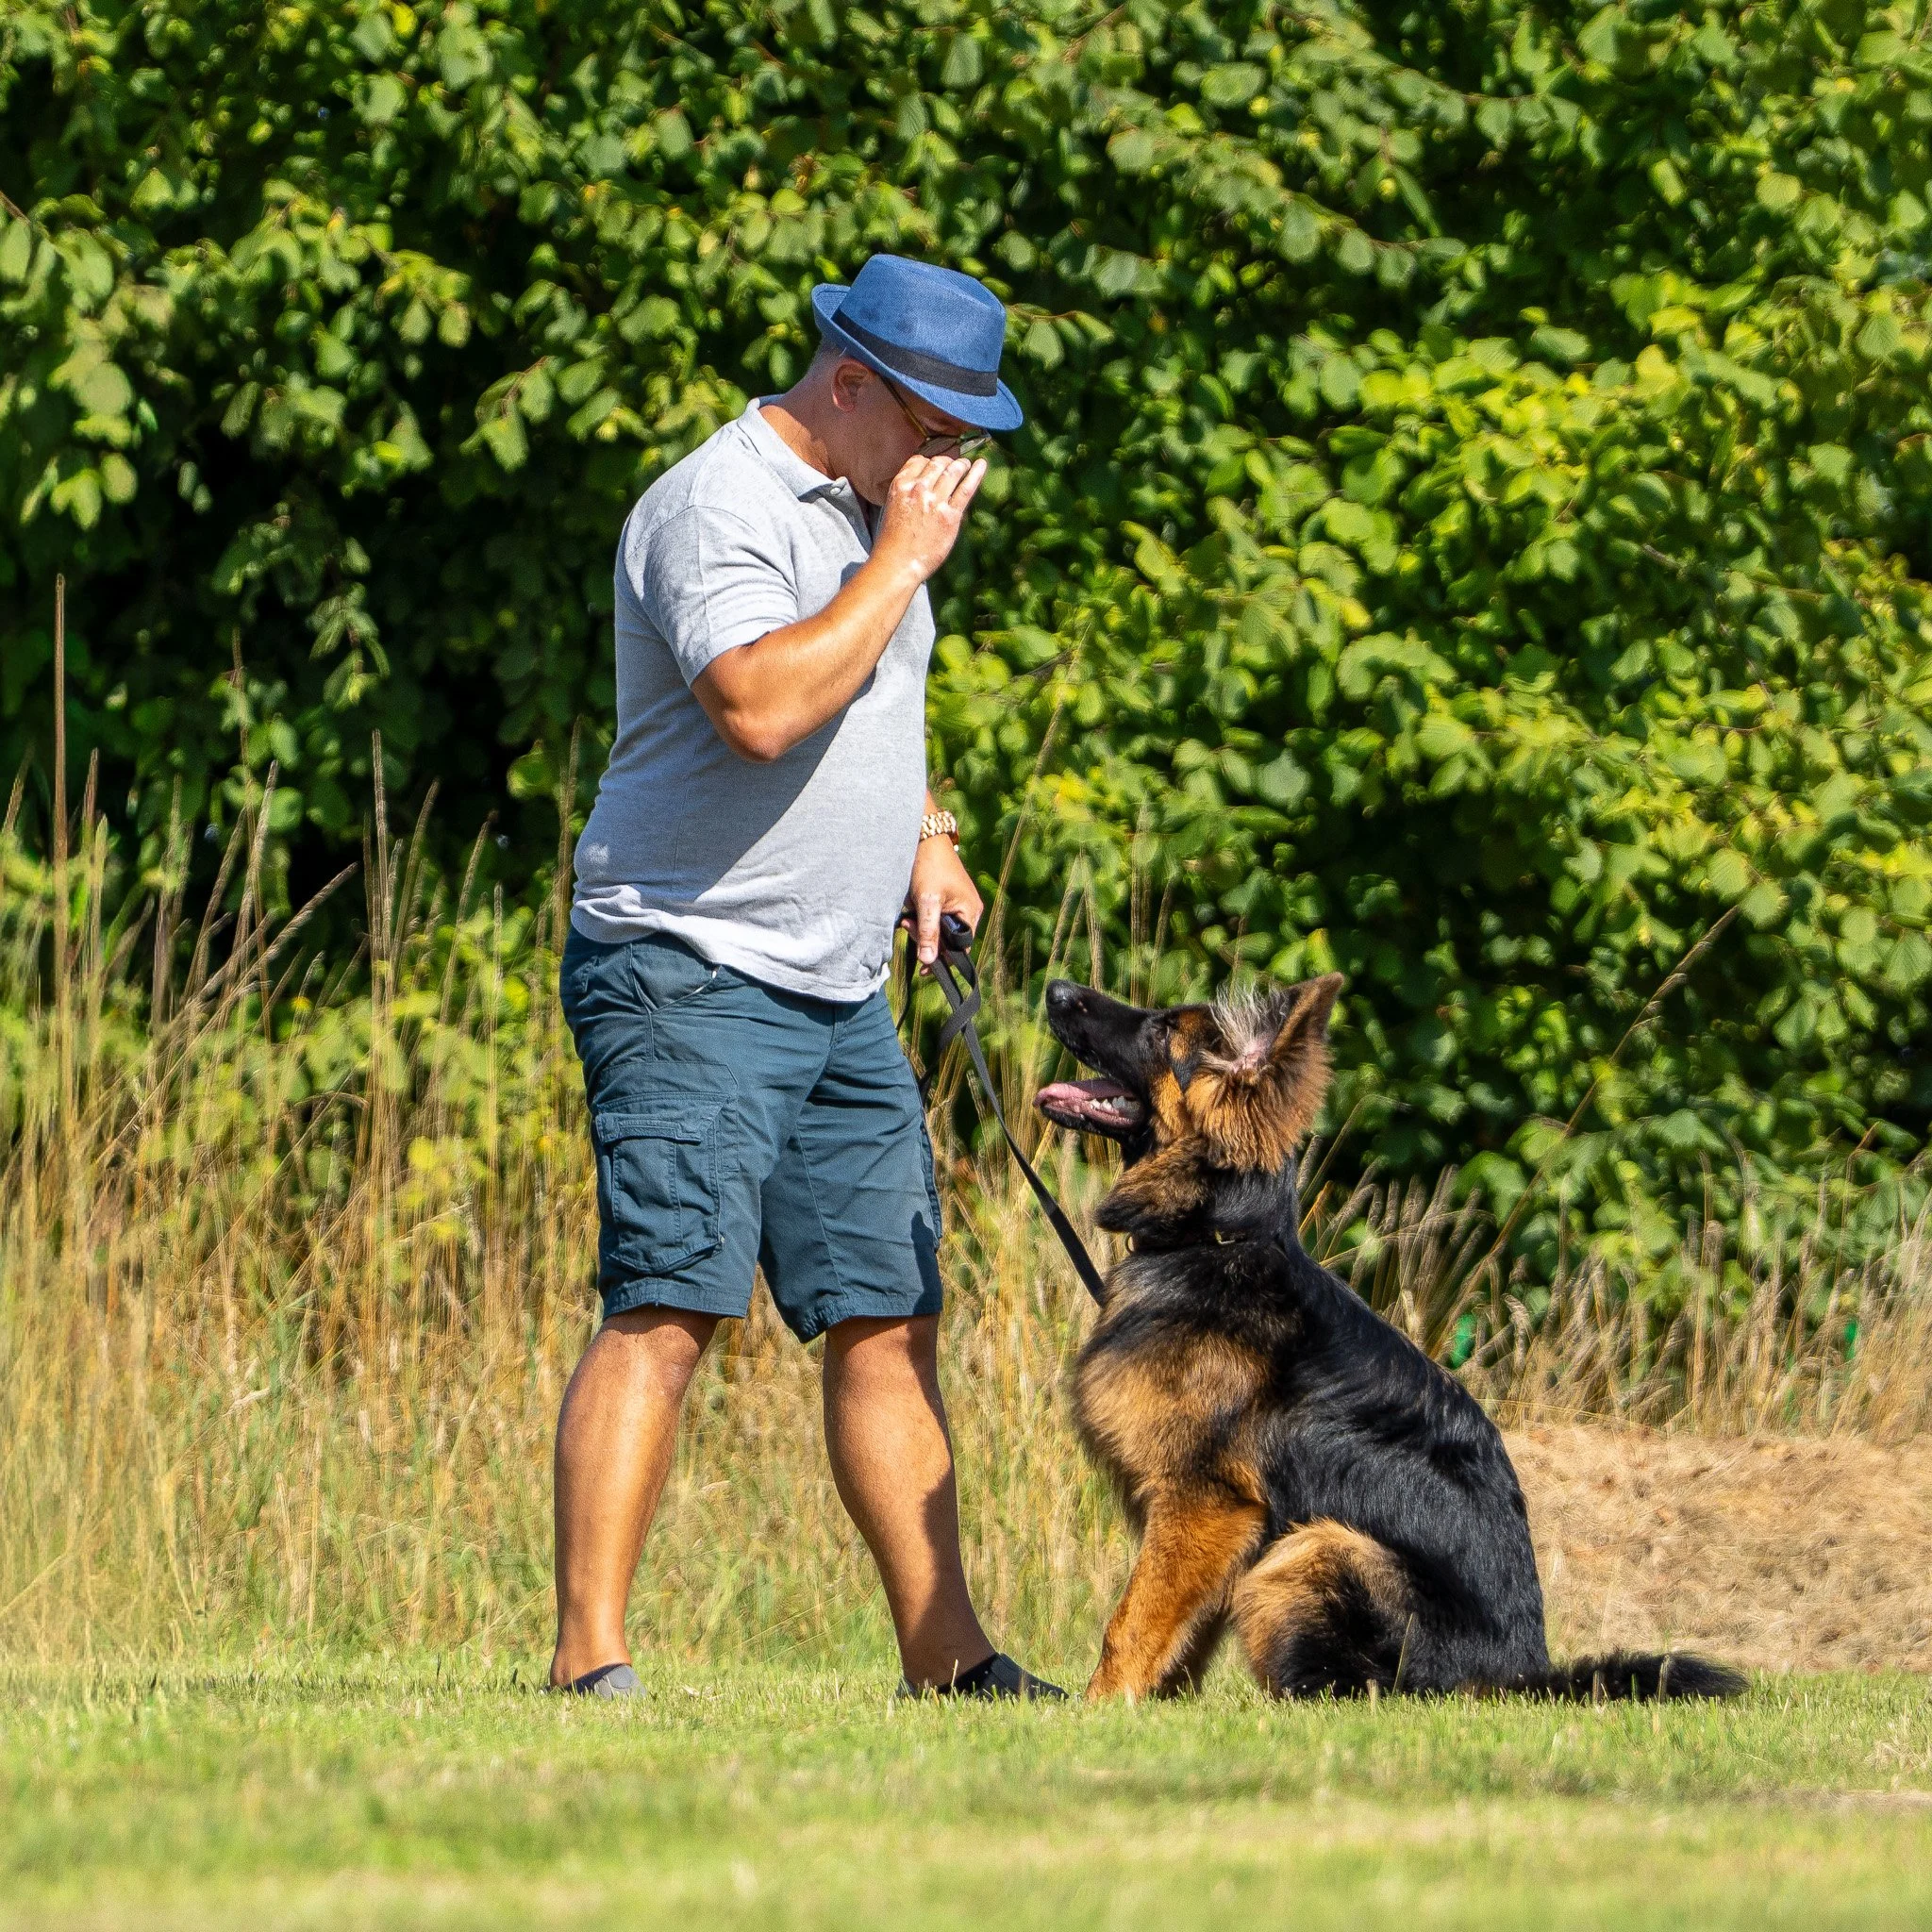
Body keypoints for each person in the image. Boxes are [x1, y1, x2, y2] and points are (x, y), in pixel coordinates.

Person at [550, 255, 1062, 1700]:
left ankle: (948, 1661)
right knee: (670, 1303)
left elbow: (873, 699)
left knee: (888, 1312)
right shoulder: (715, 505)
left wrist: (928, 837)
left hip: (840, 989)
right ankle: (591, 1662)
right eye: (934, 428)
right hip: (688, 969)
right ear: (847, 386)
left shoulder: (862, 506)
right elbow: (765, 707)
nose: (950, 466)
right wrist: (898, 561)